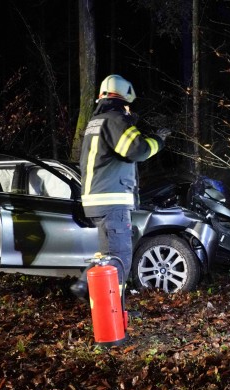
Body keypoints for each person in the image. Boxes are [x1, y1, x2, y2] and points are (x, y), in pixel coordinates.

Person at [71, 74, 171, 302]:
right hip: (111, 199)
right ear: (123, 99)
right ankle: (111, 313)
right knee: (119, 259)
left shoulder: (95, 123)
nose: (129, 109)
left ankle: (86, 284)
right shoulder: (115, 120)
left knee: (109, 256)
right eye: (128, 105)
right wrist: (158, 140)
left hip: (97, 200)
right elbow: (138, 150)